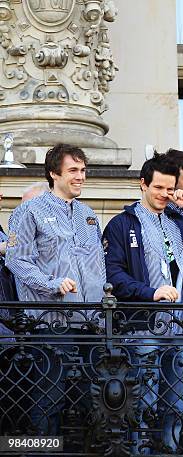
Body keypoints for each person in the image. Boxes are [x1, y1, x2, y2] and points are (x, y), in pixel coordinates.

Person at [102, 153, 183, 451]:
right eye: (159, 188)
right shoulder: (121, 223)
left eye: (170, 189)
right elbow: (113, 273)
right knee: (143, 402)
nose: (165, 195)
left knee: (177, 405)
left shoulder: (180, 219)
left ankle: (171, 450)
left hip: (181, 328)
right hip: (143, 329)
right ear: (143, 184)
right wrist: (149, 292)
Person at [5, 144, 107, 438]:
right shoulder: (29, 210)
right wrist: (51, 284)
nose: (80, 177)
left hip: (90, 323)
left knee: (92, 401)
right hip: (50, 323)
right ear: (53, 173)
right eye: (73, 170)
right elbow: (17, 260)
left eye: (83, 170)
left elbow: (96, 266)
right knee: (49, 398)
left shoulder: (88, 214)